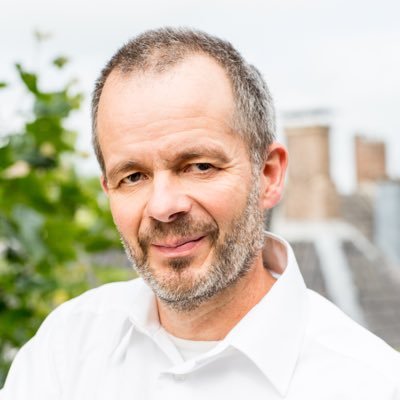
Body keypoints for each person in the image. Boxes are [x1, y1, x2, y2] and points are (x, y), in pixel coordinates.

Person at [2, 27, 399, 399]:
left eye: (199, 166)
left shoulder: (368, 384)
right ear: (108, 190)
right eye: (133, 176)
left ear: (268, 174)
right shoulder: (63, 355)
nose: (163, 207)